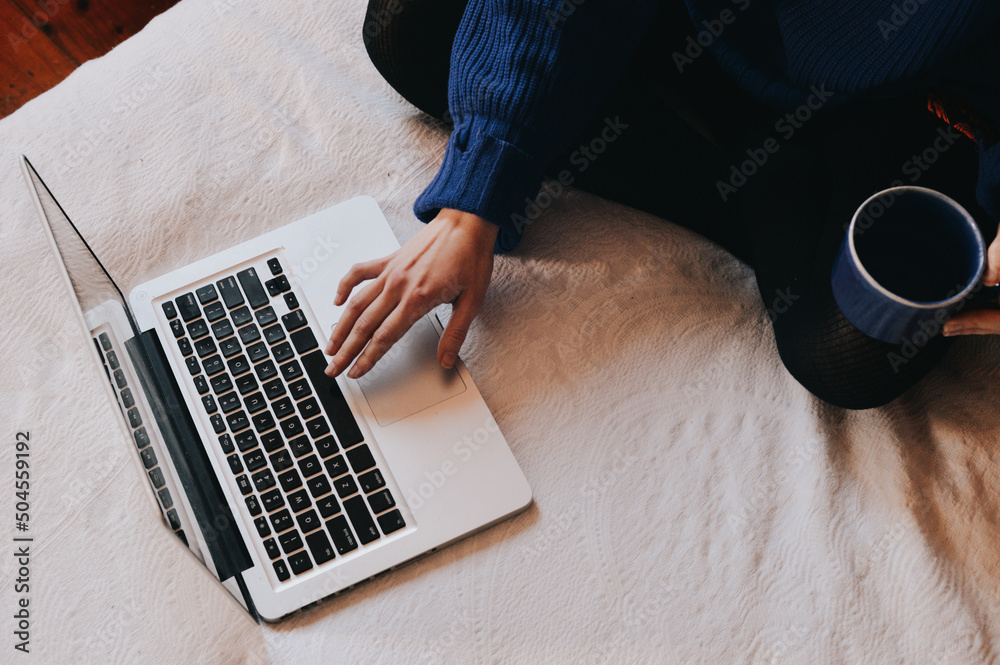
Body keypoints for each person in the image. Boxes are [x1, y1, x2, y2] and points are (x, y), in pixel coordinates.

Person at [324, 0, 1000, 410]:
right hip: (693, 22)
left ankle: (765, 168)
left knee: (853, 351)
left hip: (908, 93)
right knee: (408, 28)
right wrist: (475, 198)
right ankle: (763, 176)